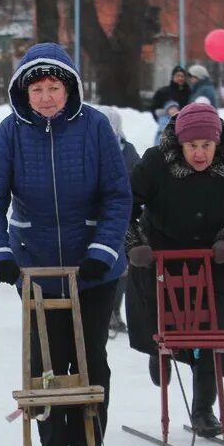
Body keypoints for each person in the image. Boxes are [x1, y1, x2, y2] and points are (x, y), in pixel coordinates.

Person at [0, 42, 132, 446]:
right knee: (47, 358)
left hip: (93, 267)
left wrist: (103, 251)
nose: (46, 96)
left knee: (91, 356)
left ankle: (88, 443)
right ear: (24, 93)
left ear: (69, 89)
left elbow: (118, 195)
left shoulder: (96, 127)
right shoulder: (11, 131)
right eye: (38, 89)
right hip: (36, 265)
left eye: (54, 87)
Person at [125, 102, 224, 438]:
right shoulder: (157, 161)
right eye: (192, 146)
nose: (200, 154)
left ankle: (204, 409)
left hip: (211, 259)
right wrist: (135, 246)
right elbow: (123, 204)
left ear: (218, 143)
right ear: (179, 143)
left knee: (212, 334)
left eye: (207, 146)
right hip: (159, 258)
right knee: (162, 326)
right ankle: (157, 351)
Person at [96, 105, 140, 334]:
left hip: (122, 218)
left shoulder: (128, 151)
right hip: (96, 219)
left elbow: (140, 182)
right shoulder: (89, 148)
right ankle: (101, 312)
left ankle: (115, 311)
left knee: (121, 268)